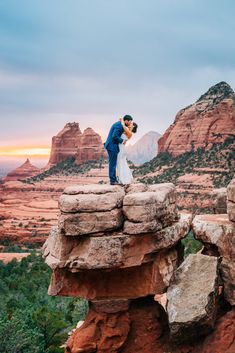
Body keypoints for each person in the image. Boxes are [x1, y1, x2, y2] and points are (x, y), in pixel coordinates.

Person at [104, 115, 133, 185]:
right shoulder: (119, 126)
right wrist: (122, 141)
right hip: (112, 146)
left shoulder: (120, 124)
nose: (130, 123)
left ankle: (113, 179)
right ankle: (112, 181)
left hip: (112, 145)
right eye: (129, 122)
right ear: (126, 121)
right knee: (112, 163)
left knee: (113, 163)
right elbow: (114, 136)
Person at [117, 118, 138, 185]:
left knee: (120, 164)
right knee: (123, 164)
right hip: (122, 149)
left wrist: (122, 121)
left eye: (131, 124)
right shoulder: (128, 131)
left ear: (133, 127)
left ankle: (122, 180)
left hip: (121, 149)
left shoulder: (129, 132)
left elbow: (123, 125)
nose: (130, 124)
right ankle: (125, 179)